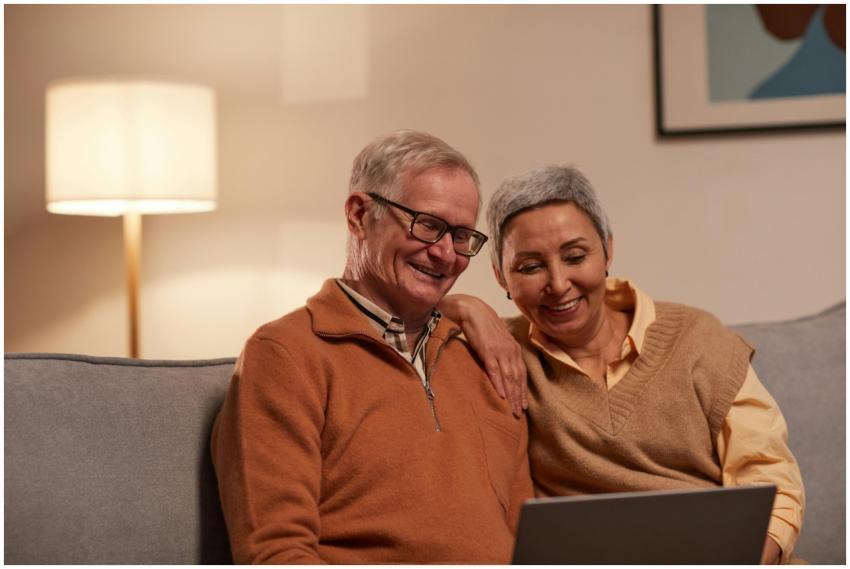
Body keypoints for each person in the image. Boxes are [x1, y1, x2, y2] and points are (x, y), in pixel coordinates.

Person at [441, 165, 805, 564]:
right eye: (530, 267)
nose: (559, 283)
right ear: (500, 277)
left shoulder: (698, 337)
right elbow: (385, 314)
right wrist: (461, 306)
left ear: (608, 251)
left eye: (575, 256)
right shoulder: (501, 354)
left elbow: (772, 482)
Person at [210, 130, 533, 564]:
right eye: (428, 225)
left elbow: (530, 543)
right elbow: (276, 552)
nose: (445, 254)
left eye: (460, 236)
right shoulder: (285, 355)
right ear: (360, 215)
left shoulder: (488, 356)